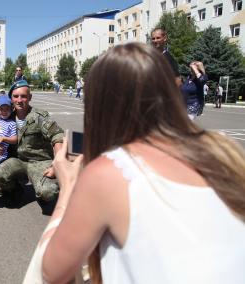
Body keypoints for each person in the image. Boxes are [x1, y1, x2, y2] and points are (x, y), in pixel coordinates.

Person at [24, 43, 245, 284]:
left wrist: (67, 187)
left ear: (100, 106)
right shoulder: (224, 149)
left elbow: (52, 272)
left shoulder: (111, 172)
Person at [0, 80, 64, 203]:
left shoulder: (39, 117)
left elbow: (58, 136)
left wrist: (57, 164)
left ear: (30, 97)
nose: (19, 100)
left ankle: (44, 191)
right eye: (15, 96)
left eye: (24, 96)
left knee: (48, 192)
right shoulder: (7, 116)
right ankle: (16, 190)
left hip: (40, 161)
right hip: (18, 160)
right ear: (11, 98)